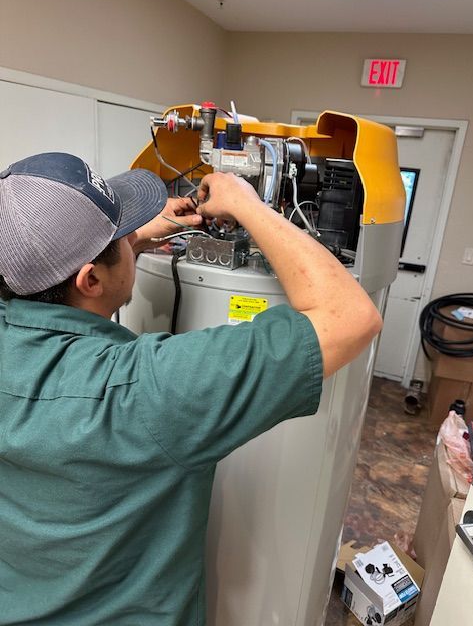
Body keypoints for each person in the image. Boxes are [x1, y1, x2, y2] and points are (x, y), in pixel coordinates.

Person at [0, 152, 382, 625]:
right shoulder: (145, 388)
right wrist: (248, 206)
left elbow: (65, 276)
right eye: (119, 235)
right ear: (91, 279)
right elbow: (351, 318)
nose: (129, 237)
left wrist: (134, 239)